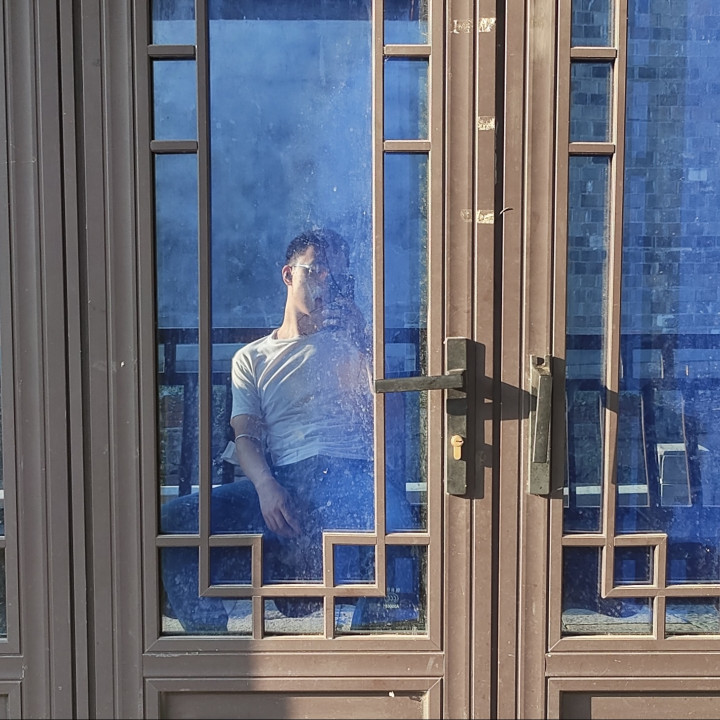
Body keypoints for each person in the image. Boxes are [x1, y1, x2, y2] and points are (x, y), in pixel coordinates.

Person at [161, 229, 413, 633]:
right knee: (176, 520)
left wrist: (364, 339)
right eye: (317, 270)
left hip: (348, 471)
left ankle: (378, 641)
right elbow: (245, 437)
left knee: (398, 522)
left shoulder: (352, 344)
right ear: (288, 274)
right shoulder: (252, 357)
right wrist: (265, 485)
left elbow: (392, 420)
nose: (326, 282)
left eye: (337, 276)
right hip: (285, 478)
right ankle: (209, 644)